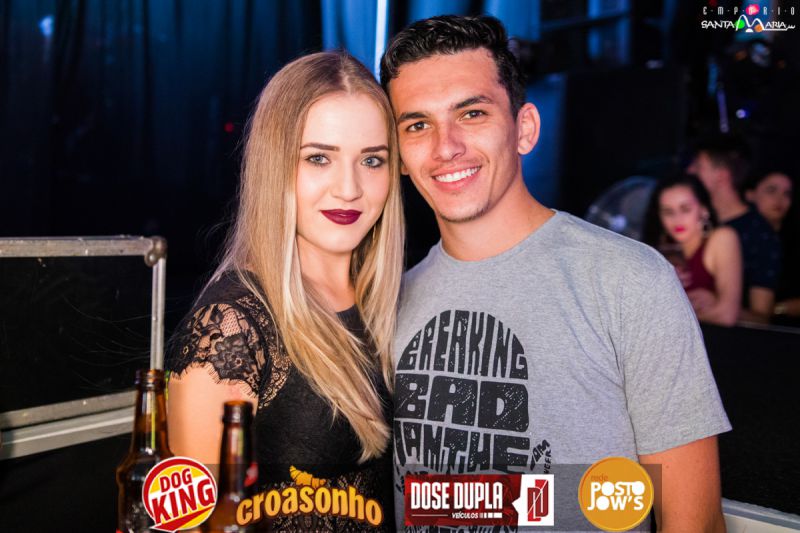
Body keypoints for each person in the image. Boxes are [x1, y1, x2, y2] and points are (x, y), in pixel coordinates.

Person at [380, 15, 730, 532]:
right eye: (417, 125)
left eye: (472, 113)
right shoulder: (389, 303)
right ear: (400, 157)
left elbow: (695, 524)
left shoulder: (629, 282)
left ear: (524, 129)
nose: (445, 146)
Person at [165, 51, 404, 531]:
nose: (349, 188)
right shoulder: (231, 327)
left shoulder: (388, 299)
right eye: (318, 158)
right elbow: (190, 525)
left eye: (371, 160)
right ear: (274, 165)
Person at [687, 136, 781, 323]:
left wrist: (721, 306)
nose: (689, 171)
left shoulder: (759, 234)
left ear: (721, 175)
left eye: (698, 166)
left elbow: (761, 319)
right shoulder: (692, 221)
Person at [643, 174, 742, 326]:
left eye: (685, 209)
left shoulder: (722, 238)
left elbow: (726, 316)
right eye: (668, 212)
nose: (677, 219)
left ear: (703, 209)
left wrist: (674, 308)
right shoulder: (656, 252)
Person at [745, 171, 800, 322]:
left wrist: (776, 309)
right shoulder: (739, 236)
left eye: (787, 193)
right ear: (750, 194)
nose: (779, 199)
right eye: (771, 190)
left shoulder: (792, 240)